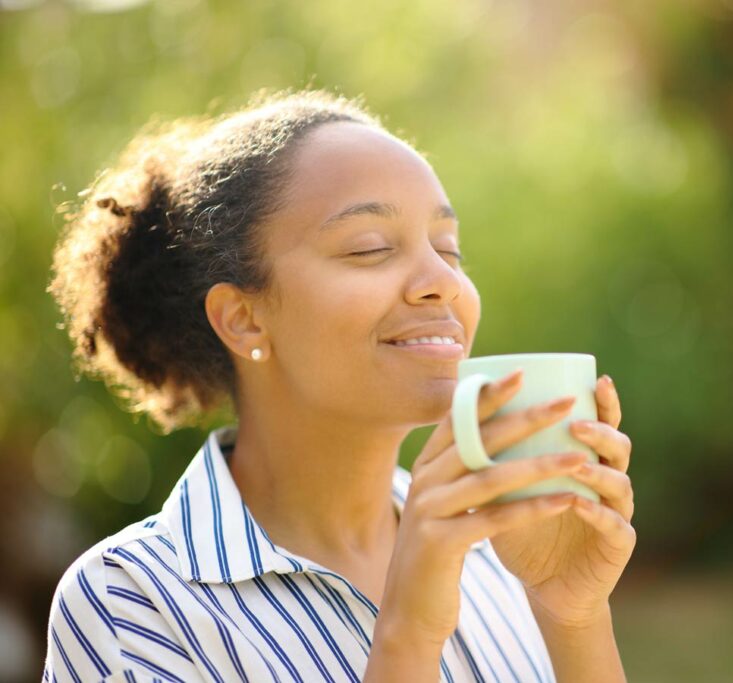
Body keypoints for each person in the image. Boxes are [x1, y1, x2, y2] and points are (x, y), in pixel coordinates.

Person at [41, 89, 636, 682]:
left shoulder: (506, 554)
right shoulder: (131, 605)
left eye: (449, 250)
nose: (443, 282)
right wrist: (406, 637)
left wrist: (572, 616)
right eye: (370, 248)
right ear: (243, 318)